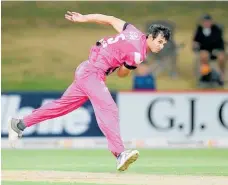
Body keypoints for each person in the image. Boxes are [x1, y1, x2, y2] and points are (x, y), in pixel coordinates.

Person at [8, 11, 171, 171]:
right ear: (150, 36)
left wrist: (83, 18)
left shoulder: (132, 31)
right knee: (109, 109)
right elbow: (122, 74)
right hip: (92, 74)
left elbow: (110, 19)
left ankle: (20, 124)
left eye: (164, 43)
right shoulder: (138, 55)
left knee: (61, 107)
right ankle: (120, 154)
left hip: (86, 69)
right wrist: (129, 68)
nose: (161, 46)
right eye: (159, 41)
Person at [193, 14, 226, 84]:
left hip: (216, 50)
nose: (206, 23)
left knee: (221, 57)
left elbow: (219, 41)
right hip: (204, 50)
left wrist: (217, 50)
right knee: (204, 55)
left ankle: (221, 75)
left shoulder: (216, 29)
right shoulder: (199, 30)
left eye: (208, 21)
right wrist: (196, 45)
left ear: (211, 22)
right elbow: (196, 41)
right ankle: (206, 74)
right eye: (205, 22)